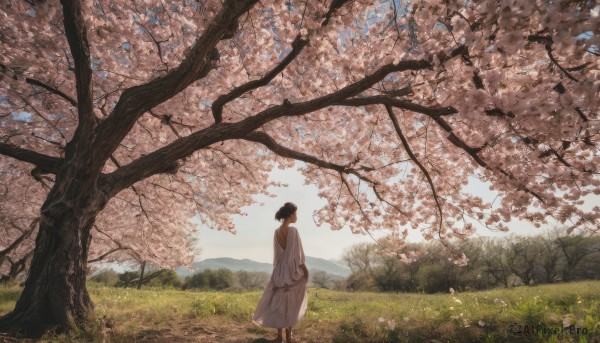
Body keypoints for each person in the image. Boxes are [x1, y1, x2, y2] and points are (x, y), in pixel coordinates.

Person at [252, 202, 309, 343]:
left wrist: (278, 270)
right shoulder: (293, 231)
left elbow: (277, 255)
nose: (297, 216)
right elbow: (298, 255)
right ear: (290, 215)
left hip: (279, 270)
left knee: (279, 302)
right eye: (296, 213)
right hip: (291, 270)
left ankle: (279, 337)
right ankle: (289, 336)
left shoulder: (276, 232)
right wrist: (304, 269)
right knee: (292, 302)